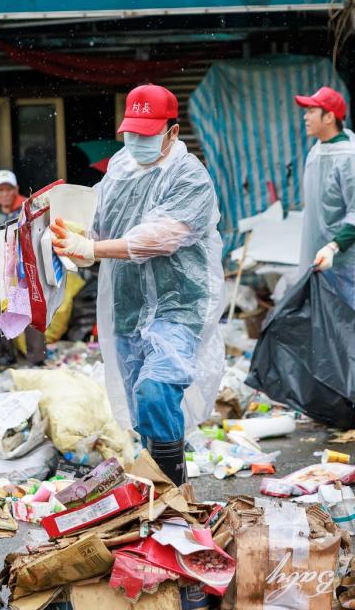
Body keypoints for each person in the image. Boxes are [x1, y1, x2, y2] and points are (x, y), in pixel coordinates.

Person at [48, 84, 224, 485]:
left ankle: (172, 489)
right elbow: (95, 216)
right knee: (141, 409)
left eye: (147, 134)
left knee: (156, 387)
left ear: (172, 132)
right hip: (127, 308)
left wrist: (91, 248)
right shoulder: (120, 170)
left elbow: (159, 237)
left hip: (179, 304)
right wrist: (62, 232)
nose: (137, 141)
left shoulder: (189, 176)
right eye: (131, 133)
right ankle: (155, 499)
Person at [294, 86, 355, 315]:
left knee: (348, 323)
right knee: (324, 322)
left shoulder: (350, 158)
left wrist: (334, 247)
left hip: (346, 261)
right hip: (322, 257)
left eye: (311, 110)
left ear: (329, 116)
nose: (305, 116)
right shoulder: (318, 152)